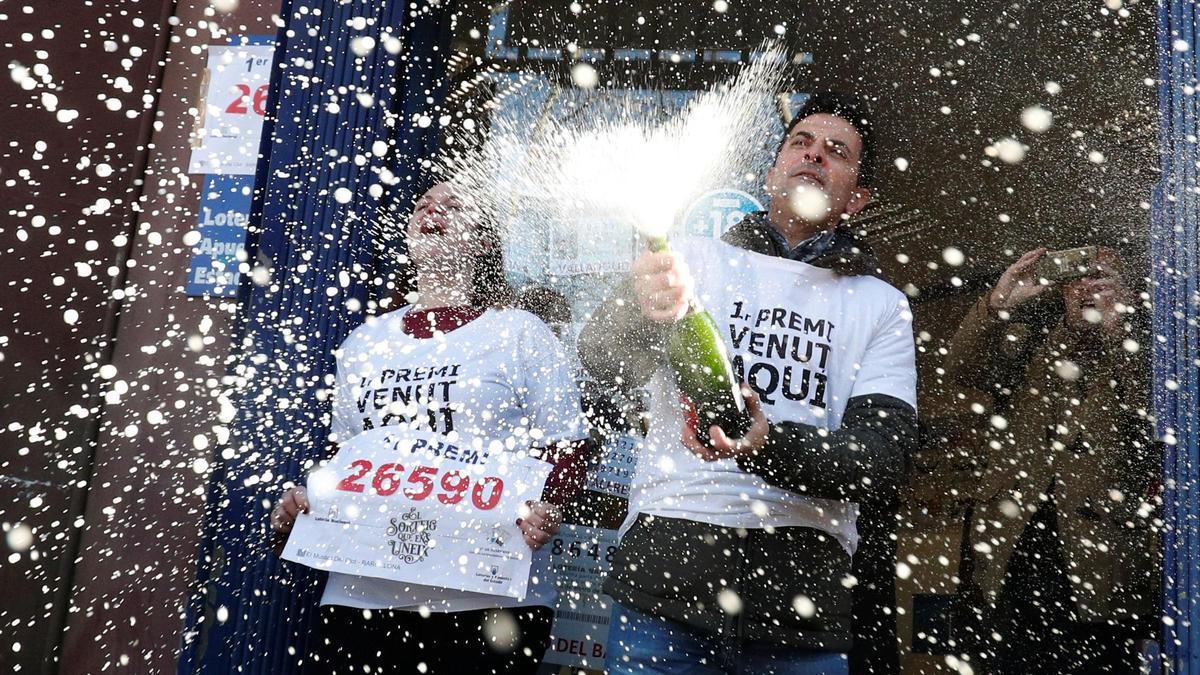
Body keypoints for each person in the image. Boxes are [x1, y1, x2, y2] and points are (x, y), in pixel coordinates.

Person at [579, 92, 919, 674]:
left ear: (857, 198)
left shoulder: (881, 305)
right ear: (771, 173)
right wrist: (635, 310)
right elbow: (602, 362)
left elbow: (880, 460)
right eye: (800, 143)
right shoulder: (689, 259)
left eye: (836, 151)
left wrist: (768, 445)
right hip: (669, 568)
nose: (814, 156)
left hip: (801, 594)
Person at [270, 182, 589, 675]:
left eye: (453, 206)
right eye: (422, 205)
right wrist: (306, 505)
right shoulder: (365, 342)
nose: (432, 212)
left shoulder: (519, 332)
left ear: (483, 241)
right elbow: (347, 457)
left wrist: (548, 507)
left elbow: (567, 446)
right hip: (363, 598)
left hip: (487, 601)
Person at [945, 247, 1156, 674]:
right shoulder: (1029, 343)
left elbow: (1153, 420)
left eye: (1100, 277)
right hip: (1014, 550)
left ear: (1125, 288)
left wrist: (1121, 333)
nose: (1086, 288)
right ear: (1061, 289)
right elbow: (963, 368)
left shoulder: (1147, 350)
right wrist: (994, 307)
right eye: (1078, 277)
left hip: (1099, 562)